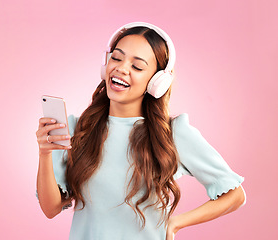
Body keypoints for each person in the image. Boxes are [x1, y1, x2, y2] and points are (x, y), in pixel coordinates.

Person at [36, 22, 246, 240]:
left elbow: (235, 196)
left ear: (157, 81)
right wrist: (44, 153)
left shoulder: (173, 134)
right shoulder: (77, 129)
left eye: (137, 67)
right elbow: (50, 208)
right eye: (116, 58)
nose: (121, 68)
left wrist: (175, 223)